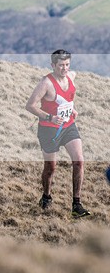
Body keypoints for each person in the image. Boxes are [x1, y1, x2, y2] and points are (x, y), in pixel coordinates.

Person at [25, 49, 90, 218]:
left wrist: (72, 108)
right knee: (50, 168)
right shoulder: (45, 83)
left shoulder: (72, 76)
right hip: (49, 129)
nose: (64, 68)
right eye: (61, 65)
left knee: (79, 161)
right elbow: (30, 105)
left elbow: (67, 98)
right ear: (53, 65)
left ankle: (76, 204)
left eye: (67, 64)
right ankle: (46, 197)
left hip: (68, 126)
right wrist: (50, 117)